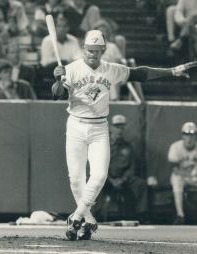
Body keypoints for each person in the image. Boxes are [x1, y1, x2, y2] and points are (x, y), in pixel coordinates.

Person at [52, 29, 197, 241]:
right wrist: (58, 79)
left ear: (103, 50)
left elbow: (141, 73)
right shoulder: (71, 69)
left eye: (97, 50)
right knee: (75, 179)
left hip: (100, 127)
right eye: (89, 50)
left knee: (99, 175)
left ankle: (75, 217)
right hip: (75, 125)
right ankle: (88, 220)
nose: (93, 54)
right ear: (83, 48)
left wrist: (172, 71)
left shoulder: (110, 69)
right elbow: (57, 95)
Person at [106, 114, 149, 222]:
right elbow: (97, 166)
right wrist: (110, 180)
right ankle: (91, 214)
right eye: (117, 127)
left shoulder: (127, 146)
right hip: (105, 178)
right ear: (110, 128)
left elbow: (131, 168)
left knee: (141, 184)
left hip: (123, 179)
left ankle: (140, 215)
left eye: (122, 127)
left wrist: (122, 180)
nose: (119, 130)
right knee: (90, 183)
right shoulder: (102, 144)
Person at [168, 121, 197, 225]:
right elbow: (175, 169)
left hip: (195, 177)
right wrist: (189, 175)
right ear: (182, 135)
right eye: (186, 134)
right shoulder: (175, 147)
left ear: (195, 136)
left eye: (192, 134)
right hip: (182, 177)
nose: (189, 138)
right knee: (176, 179)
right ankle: (180, 214)